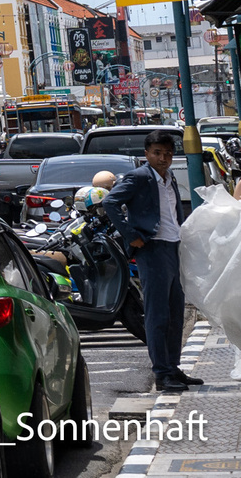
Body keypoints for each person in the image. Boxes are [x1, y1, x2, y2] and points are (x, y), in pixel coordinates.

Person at [104, 131, 200, 390]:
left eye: (168, 154)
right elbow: (110, 202)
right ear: (147, 154)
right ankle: (161, 373)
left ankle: (173, 367)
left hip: (173, 247)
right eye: (157, 153)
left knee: (175, 312)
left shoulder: (169, 178)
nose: (163, 158)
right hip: (152, 250)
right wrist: (131, 235)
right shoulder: (139, 177)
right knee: (157, 315)